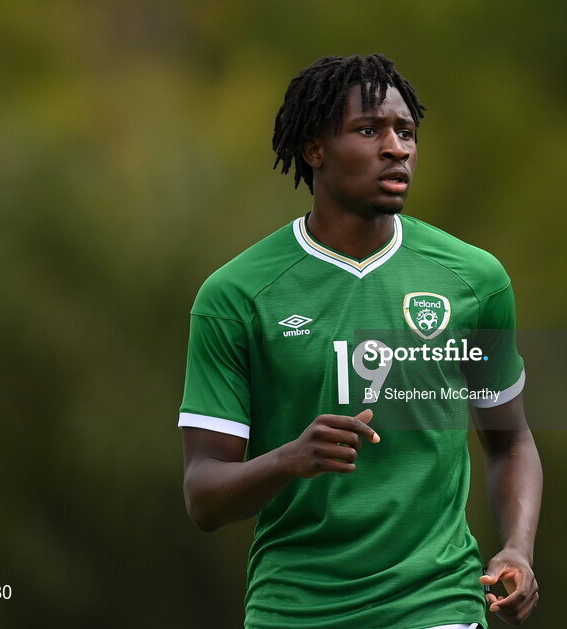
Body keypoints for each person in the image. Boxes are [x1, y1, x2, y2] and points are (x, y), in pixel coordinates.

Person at [178, 53, 542, 629]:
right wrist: (289, 460)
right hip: (292, 609)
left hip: (435, 602)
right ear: (314, 148)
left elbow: (511, 442)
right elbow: (203, 494)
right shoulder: (237, 296)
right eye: (369, 130)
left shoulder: (475, 281)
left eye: (407, 132)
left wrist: (517, 547)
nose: (396, 147)